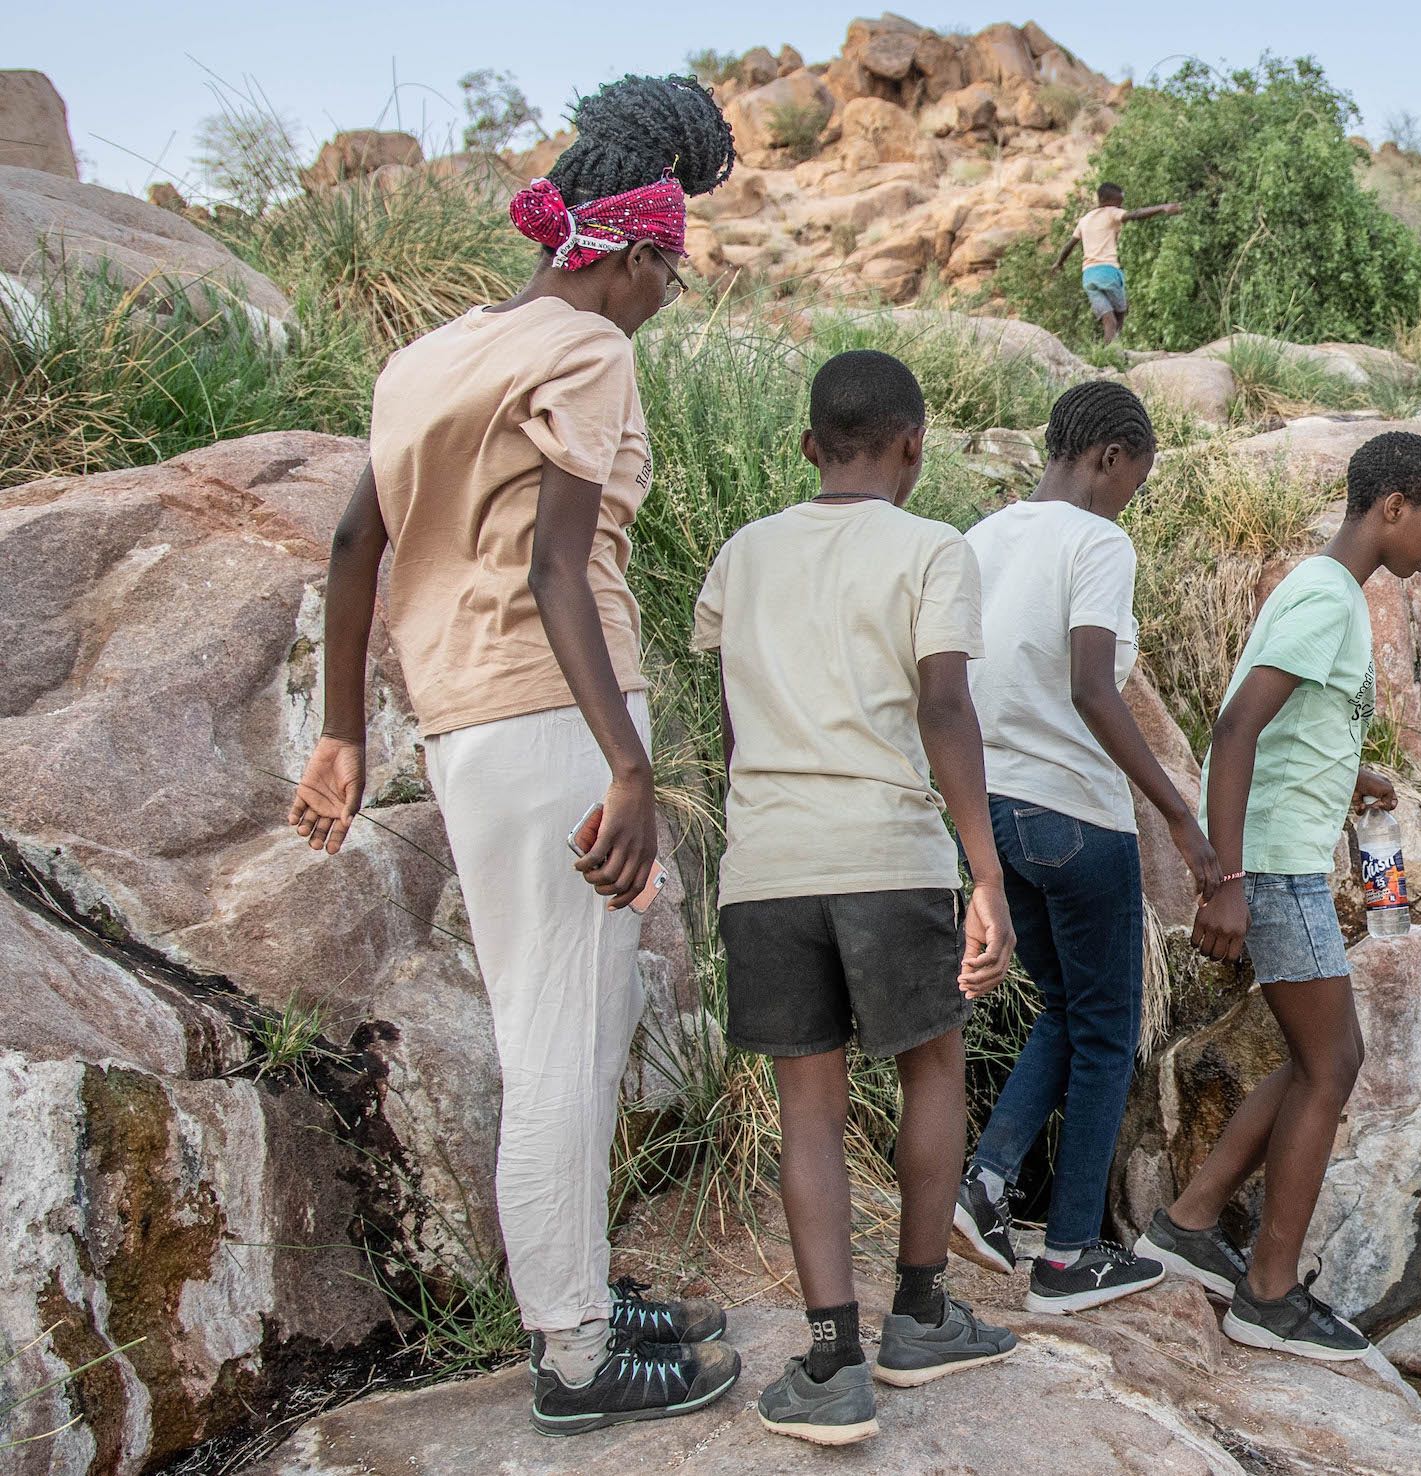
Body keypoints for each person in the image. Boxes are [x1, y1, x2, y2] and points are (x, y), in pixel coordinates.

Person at [286, 73, 740, 1437]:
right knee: (561, 1040)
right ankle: (578, 1355)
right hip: (560, 720)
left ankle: (583, 1290)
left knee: (567, 1022)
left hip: (469, 727)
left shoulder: (429, 356)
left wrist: (343, 733)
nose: (672, 297)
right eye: (674, 269)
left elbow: (355, 541)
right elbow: (557, 569)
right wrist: (630, 768)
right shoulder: (593, 351)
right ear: (636, 251)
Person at [695, 351, 1022, 1445]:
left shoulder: (744, 553)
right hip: (888, 853)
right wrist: (985, 871)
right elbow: (944, 708)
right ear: (914, 444)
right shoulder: (933, 548)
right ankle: (919, 1313)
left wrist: (755, 832)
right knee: (934, 1065)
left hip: (770, 864)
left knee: (809, 1109)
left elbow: (737, 718)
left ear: (807, 448)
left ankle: (833, 1359)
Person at [1131, 432, 1421, 1361]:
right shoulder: (1324, 596)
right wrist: (1223, 881)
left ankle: (1192, 1224)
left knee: (1325, 1054)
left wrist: (1350, 777)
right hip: (1268, 868)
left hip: (1283, 857)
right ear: (1391, 505)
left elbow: (1286, 727)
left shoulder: (1333, 594)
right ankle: (1266, 1293)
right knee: (1333, 1063)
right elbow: (1236, 730)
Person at [950, 381, 1221, 1313]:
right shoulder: (1099, 541)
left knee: (1064, 1011)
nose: (1128, 500)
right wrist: (1179, 815)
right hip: (1074, 815)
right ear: (1110, 456)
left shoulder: (984, 537)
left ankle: (984, 1187)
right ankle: (1069, 1257)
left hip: (996, 812)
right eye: (1133, 481)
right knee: (1109, 1031)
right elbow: (1094, 685)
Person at [1055, 182, 1184, 344]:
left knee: (1108, 319)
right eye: (1119, 201)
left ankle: (1106, 353)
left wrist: (1058, 263)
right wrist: (1162, 208)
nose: (1121, 205)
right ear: (1106, 200)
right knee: (1119, 314)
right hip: (1108, 271)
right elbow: (1135, 214)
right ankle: (1114, 350)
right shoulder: (1111, 212)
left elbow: (1070, 245)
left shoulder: (1084, 219)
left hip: (1088, 276)